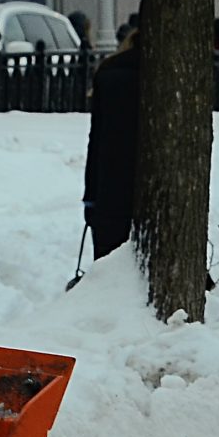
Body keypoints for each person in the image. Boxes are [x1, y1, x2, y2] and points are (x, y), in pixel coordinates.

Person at [84, 15, 142, 257]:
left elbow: (96, 141)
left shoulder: (109, 74)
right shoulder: (169, 75)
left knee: (110, 266)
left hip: (111, 191)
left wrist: (90, 199)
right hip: (153, 188)